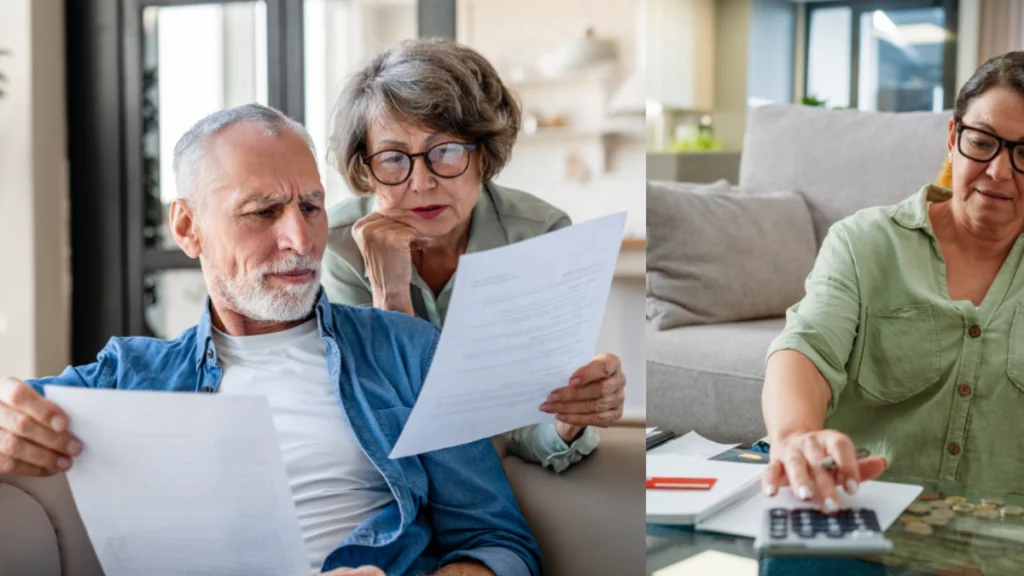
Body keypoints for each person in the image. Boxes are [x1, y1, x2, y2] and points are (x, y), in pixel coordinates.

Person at [0, 104, 540, 576]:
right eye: (262, 212)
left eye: (311, 206)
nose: (301, 240)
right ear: (188, 229)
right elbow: (14, 416)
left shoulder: (407, 352)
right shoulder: (130, 375)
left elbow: (500, 545)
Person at [321, 39, 626, 473]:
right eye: (392, 158)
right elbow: (378, 424)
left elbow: (526, 422)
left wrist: (568, 420)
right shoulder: (338, 246)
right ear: (366, 170)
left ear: (483, 154)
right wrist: (390, 298)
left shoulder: (539, 237)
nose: (421, 182)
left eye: (444, 151)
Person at [762, 51, 1024, 511]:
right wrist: (795, 435)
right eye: (983, 142)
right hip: (857, 520)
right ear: (953, 137)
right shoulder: (864, 243)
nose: (999, 171)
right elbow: (805, 348)